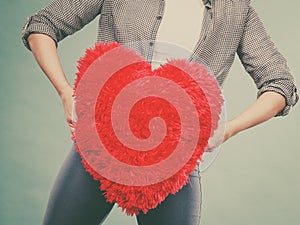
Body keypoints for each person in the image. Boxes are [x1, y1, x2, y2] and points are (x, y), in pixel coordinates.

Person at [21, 0, 298, 225]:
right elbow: (42, 25)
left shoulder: (238, 11)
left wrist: (228, 129)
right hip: (100, 147)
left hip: (174, 162)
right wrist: (64, 91)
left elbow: (280, 85)